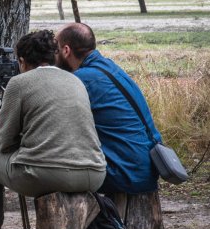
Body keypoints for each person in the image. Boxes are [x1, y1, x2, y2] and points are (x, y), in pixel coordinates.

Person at [0, 30, 107, 229]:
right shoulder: (76, 80)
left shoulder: (19, 82)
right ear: (54, 56)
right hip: (93, 173)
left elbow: (3, 144)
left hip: (44, 174)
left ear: (22, 61)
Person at [55, 22, 162, 195]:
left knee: (51, 171)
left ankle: (80, 221)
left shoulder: (82, 80)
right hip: (146, 168)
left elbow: (56, 123)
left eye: (56, 49)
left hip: (125, 174)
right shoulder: (109, 67)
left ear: (66, 50)